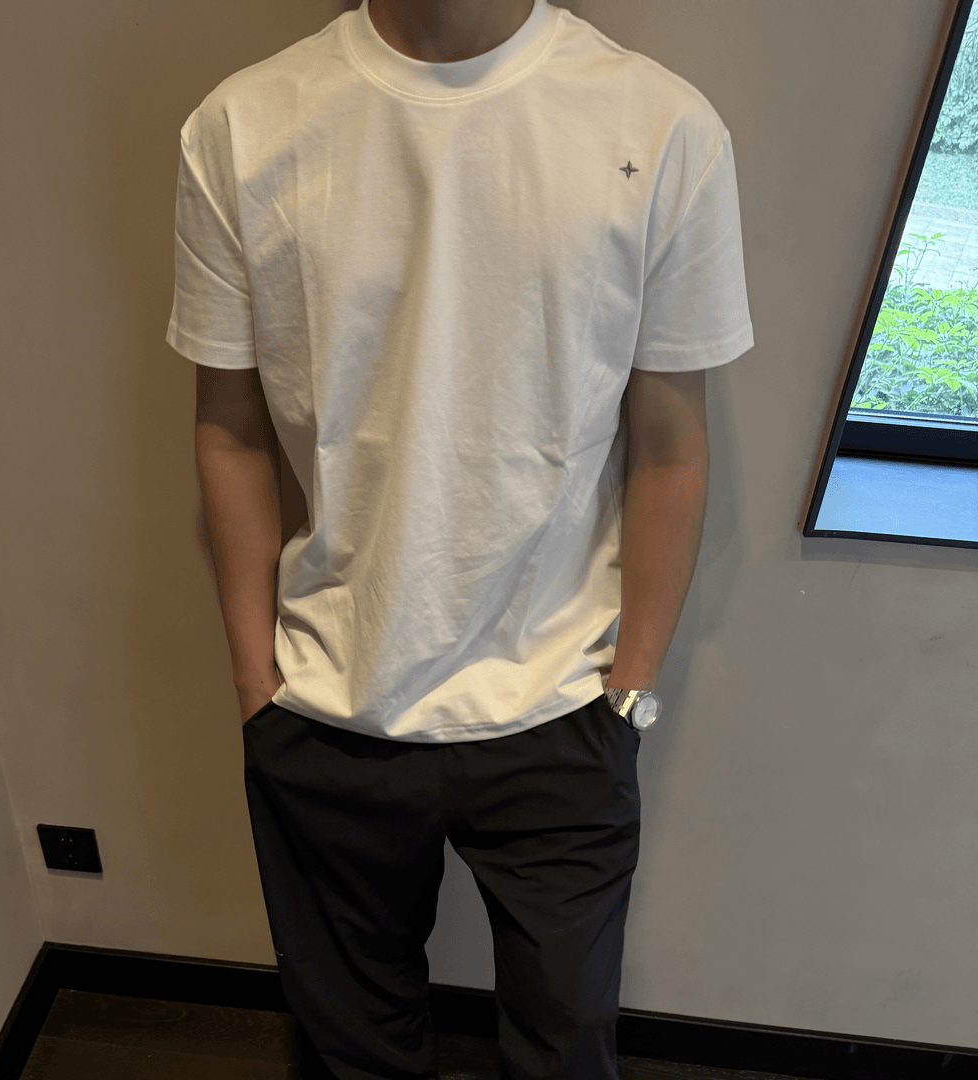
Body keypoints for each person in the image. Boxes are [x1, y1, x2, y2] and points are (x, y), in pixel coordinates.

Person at [168, 0, 754, 1077]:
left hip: (563, 704)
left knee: (566, 1050)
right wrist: (257, 682)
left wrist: (630, 689)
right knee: (351, 1053)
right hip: (324, 702)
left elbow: (671, 444)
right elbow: (231, 427)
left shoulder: (663, 126)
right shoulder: (241, 127)